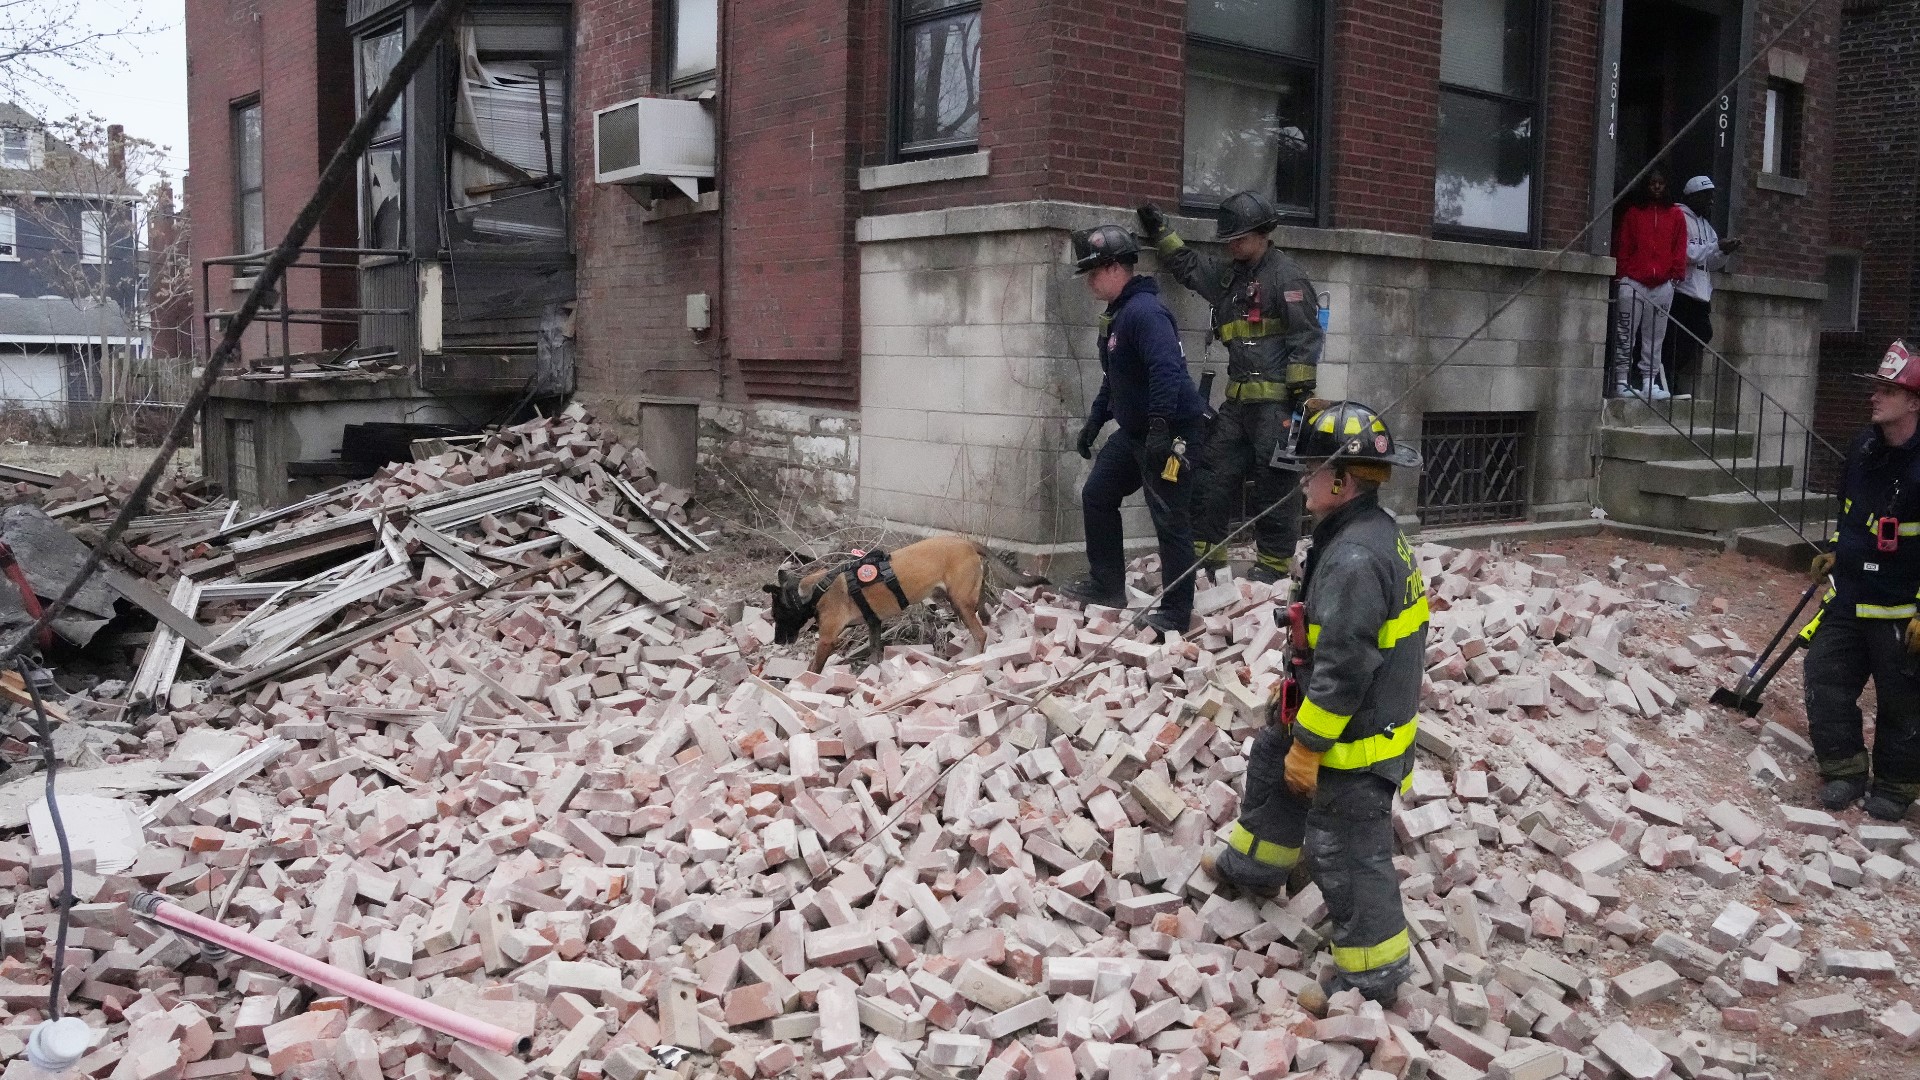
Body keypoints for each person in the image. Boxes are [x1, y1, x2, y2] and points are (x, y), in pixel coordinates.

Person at [1202, 400, 1427, 1003]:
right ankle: (1254, 868)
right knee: (1271, 762)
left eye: (1309, 469)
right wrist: (1293, 715)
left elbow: (1347, 667)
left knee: (1346, 848)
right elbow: (1330, 644)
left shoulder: (1355, 558)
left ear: (1340, 479)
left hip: (1358, 736)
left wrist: (1312, 742)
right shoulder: (1360, 533)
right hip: (1336, 709)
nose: (1300, 480)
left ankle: (1372, 976)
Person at [1136, 192, 1323, 583]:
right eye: (1229, 240)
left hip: (1277, 406)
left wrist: (1301, 399)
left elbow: (1305, 336)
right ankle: (1209, 559)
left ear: (1262, 233)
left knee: (1274, 484)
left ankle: (1271, 567)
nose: (1233, 245)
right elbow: (1189, 266)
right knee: (1211, 474)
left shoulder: (1287, 277)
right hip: (1237, 405)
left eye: (1239, 238)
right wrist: (1160, 232)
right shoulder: (1229, 278)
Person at [1061, 224, 1209, 634]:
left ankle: (1177, 612)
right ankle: (1107, 585)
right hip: (1136, 432)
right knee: (1098, 493)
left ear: (1114, 268)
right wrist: (1096, 420)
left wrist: (1161, 426)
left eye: (1093, 271)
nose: (1089, 281)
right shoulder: (1119, 316)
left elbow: (1167, 371)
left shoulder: (1145, 313)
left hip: (1172, 432)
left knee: (1169, 516)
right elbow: (1117, 379)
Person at [1802, 339, 1920, 821]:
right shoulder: (1863, 447)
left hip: (1901, 609)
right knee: (1823, 676)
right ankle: (1844, 769)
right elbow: (1850, 511)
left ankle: (1894, 787)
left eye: (1887, 389)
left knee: (1903, 702)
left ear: (1914, 402)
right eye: (1874, 387)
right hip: (1850, 596)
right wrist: (1837, 548)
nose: (1874, 396)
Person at [1609, 166, 1688, 400]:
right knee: (1625, 333)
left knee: (1655, 337)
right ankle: (1622, 381)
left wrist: (1675, 276)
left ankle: (1648, 383)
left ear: (1666, 186)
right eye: (1652, 183)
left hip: (1663, 284)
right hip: (1632, 282)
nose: (1656, 187)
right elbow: (1624, 245)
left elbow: (1679, 247)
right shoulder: (1633, 213)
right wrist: (1622, 276)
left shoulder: (1676, 215)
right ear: (1646, 185)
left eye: (1661, 183)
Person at [1665, 176, 1741, 397]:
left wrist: (1724, 251)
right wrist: (1715, 246)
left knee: (1702, 334)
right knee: (1675, 338)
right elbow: (1684, 253)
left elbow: (1711, 262)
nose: (1710, 202)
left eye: (1711, 198)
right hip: (1680, 289)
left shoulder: (1707, 226)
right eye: (1705, 197)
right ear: (1692, 196)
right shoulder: (1678, 216)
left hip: (1701, 292)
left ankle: (1672, 376)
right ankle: (1667, 380)